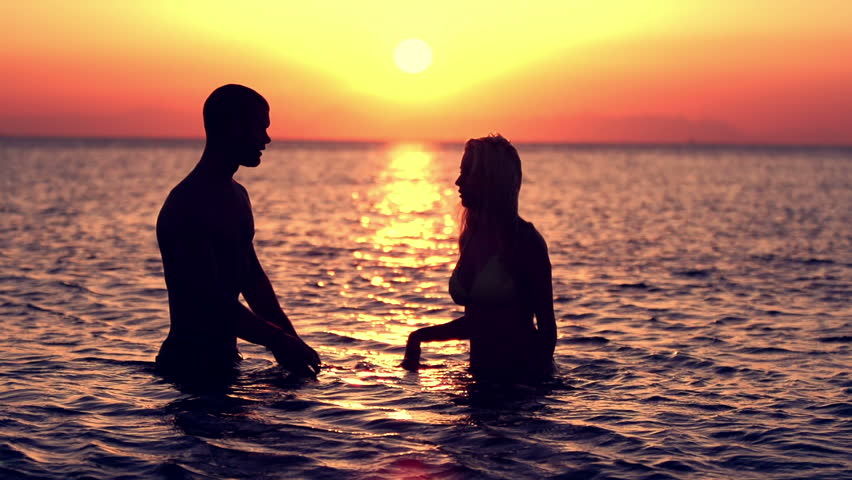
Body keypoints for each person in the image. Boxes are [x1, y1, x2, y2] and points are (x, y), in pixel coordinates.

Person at [155, 84, 320, 386]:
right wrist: (278, 340)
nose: (267, 139)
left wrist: (294, 344)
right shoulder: (188, 203)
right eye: (259, 127)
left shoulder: (237, 196)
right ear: (230, 127)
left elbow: (253, 282)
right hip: (187, 367)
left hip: (226, 362)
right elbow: (209, 301)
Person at [402, 134, 556, 381]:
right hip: (480, 381)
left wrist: (533, 387)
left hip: (521, 387)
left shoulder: (526, 242)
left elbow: (547, 330)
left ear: (490, 181)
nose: (458, 182)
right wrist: (419, 338)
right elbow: (480, 323)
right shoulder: (471, 237)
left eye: (467, 173)